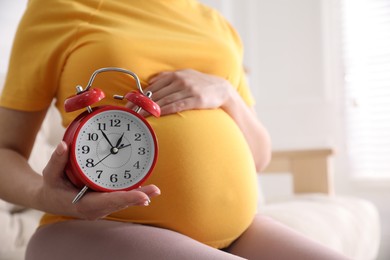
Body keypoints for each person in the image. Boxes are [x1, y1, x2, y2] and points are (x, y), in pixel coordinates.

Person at [0, 0, 350, 259]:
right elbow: (5, 151)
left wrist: (225, 93)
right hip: (93, 231)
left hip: (238, 232)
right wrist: (44, 196)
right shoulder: (59, 7)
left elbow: (259, 157)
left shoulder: (217, 25)